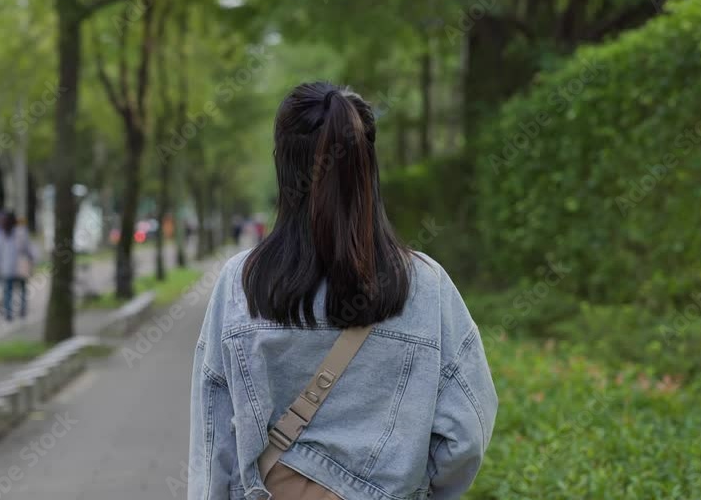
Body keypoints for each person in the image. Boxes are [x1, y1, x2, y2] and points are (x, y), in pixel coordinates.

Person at [188, 83, 497, 499]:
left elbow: (213, 441)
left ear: (283, 165)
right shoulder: (427, 286)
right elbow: (466, 436)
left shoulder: (239, 283)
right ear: (368, 167)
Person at [0, 211, 33, 321]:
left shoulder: (2, 234)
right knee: (21, 290)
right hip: (17, 267)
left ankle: (9, 313)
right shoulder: (20, 232)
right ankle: (20, 311)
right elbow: (28, 249)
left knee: (9, 291)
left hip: (10, 267)